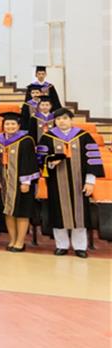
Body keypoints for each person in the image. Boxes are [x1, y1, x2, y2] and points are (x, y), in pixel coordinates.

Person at [38, 109, 104, 258]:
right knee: (58, 213)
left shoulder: (84, 136)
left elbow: (92, 160)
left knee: (80, 215)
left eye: (65, 118)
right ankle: (61, 245)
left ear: (71, 120)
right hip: (56, 182)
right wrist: (50, 162)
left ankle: (80, 247)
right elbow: (41, 158)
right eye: (59, 119)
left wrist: (90, 182)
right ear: (54, 121)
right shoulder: (47, 137)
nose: (62, 121)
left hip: (79, 182)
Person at [0, 115, 40, 252]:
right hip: (4, 183)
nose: (10, 127)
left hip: (22, 184)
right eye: (7, 124)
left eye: (13, 124)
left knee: (22, 212)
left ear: (19, 126)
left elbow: (30, 162)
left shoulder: (26, 141)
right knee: (8, 212)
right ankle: (12, 239)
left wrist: (26, 181)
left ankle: (20, 241)